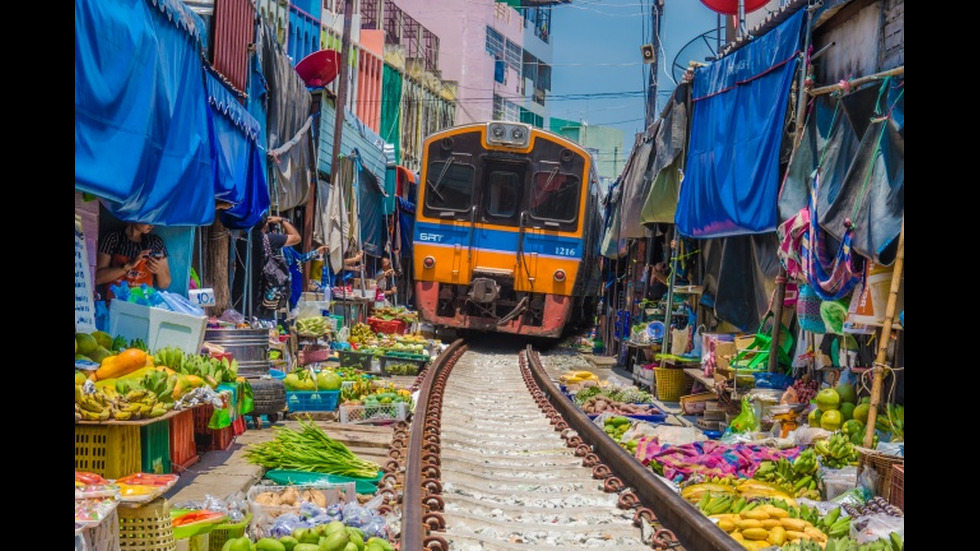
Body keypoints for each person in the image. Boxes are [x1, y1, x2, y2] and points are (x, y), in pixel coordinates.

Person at [95, 222, 171, 300]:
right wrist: (128, 266)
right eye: (147, 219)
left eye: (153, 220)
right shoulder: (114, 238)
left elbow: (164, 284)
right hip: (115, 304)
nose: (151, 225)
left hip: (143, 305)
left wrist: (159, 270)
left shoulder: (155, 243)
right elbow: (98, 278)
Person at [256, 215, 301, 318]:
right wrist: (282, 220)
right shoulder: (268, 240)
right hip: (264, 298)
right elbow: (296, 237)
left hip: (241, 296)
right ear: (265, 226)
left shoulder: (241, 239)